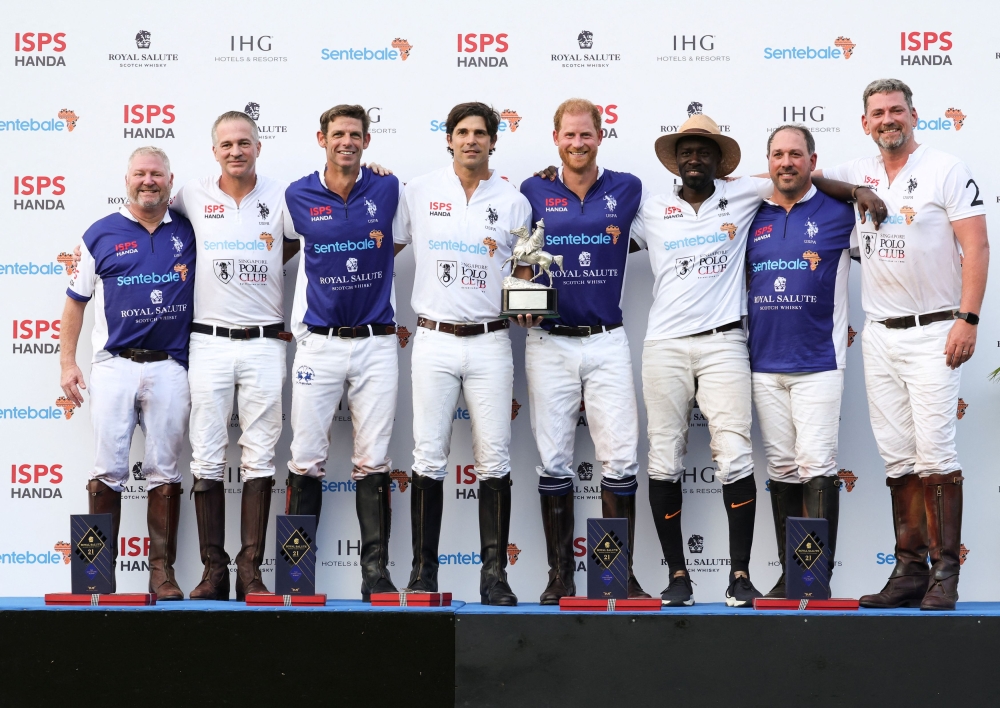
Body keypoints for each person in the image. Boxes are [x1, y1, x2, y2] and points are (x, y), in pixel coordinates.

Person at [630, 110, 884, 607]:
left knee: (750, 461)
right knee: (665, 460)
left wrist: (855, 192)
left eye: (704, 149)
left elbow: (803, 179)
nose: (695, 156)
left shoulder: (745, 194)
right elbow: (599, 221)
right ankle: (678, 576)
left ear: (721, 160)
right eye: (686, 150)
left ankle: (759, 576)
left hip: (728, 343)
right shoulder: (651, 207)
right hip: (665, 345)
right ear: (675, 160)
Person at [818, 79, 989, 611]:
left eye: (896, 111)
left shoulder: (945, 167)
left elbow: (977, 245)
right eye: (877, 113)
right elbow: (793, 176)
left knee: (935, 453)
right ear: (864, 122)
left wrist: (969, 318)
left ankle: (944, 575)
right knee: (897, 457)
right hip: (879, 333)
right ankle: (909, 570)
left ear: (914, 116)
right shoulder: (856, 171)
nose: (887, 119)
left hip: (936, 329)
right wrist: (851, 193)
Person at [395, 102, 532, 605]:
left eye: (481, 133)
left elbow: (522, 271)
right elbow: (379, 246)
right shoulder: (416, 191)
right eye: (462, 132)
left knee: (494, 458)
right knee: (427, 457)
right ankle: (423, 575)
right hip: (432, 338)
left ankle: (494, 576)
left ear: (494, 141)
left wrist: (529, 301)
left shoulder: (514, 202)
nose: (471, 139)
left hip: (492, 341)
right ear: (448, 139)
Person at [516, 98, 650, 602]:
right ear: (556, 139)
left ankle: (616, 576)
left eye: (585, 135)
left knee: (620, 462)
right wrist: (522, 282)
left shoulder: (628, 187)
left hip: (606, 340)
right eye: (568, 136)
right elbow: (520, 255)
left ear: (600, 137)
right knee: (553, 462)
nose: (577, 144)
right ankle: (560, 576)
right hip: (548, 342)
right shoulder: (533, 189)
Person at [59, 146, 196, 599]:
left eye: (156, 174)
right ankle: (95, 575)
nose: (148, 181)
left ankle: (162, 574)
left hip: (170, 366)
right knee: (106, 471)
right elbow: (75, 301)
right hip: (114, 366)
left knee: (166, 472)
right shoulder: (100, 234)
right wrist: (66, 361)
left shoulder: (192, 230)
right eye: (140, 174)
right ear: (127, 180)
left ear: (170, 181)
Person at [168, 111, 292, 601]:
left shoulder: (283, 195)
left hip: (265, 341)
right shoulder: (192, 195)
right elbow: (149, 208)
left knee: (261, 455)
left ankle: (251, 571)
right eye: (227, 145)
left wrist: (379, 173)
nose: (236, 151)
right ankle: (213, 571)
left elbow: (330, 214)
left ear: (258, 147)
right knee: (207, 455)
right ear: (214, 151)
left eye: (244, 143)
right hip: (209, 342)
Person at [283, 104, 403, 600]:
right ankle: (296, 573)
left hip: (376, 343)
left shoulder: (388, 186)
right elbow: (273, 246)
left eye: (355, 134)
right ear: (322, 139)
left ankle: (375, 575)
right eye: (338, 134)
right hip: (320, 343)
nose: (347, 142)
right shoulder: (296, 194)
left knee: (373, 461)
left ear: (367, 141)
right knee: (305, 458)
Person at [746, 125, 858, 598]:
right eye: (777, 154)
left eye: (796, 154)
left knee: (816, 467)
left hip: (818, 362)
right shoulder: (749, 213)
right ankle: (793, 573)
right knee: (782, 470)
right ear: (767, 161)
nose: (786, 162)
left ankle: (816, 578)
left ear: (813, 160)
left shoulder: (841, 213)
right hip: (763, 364)